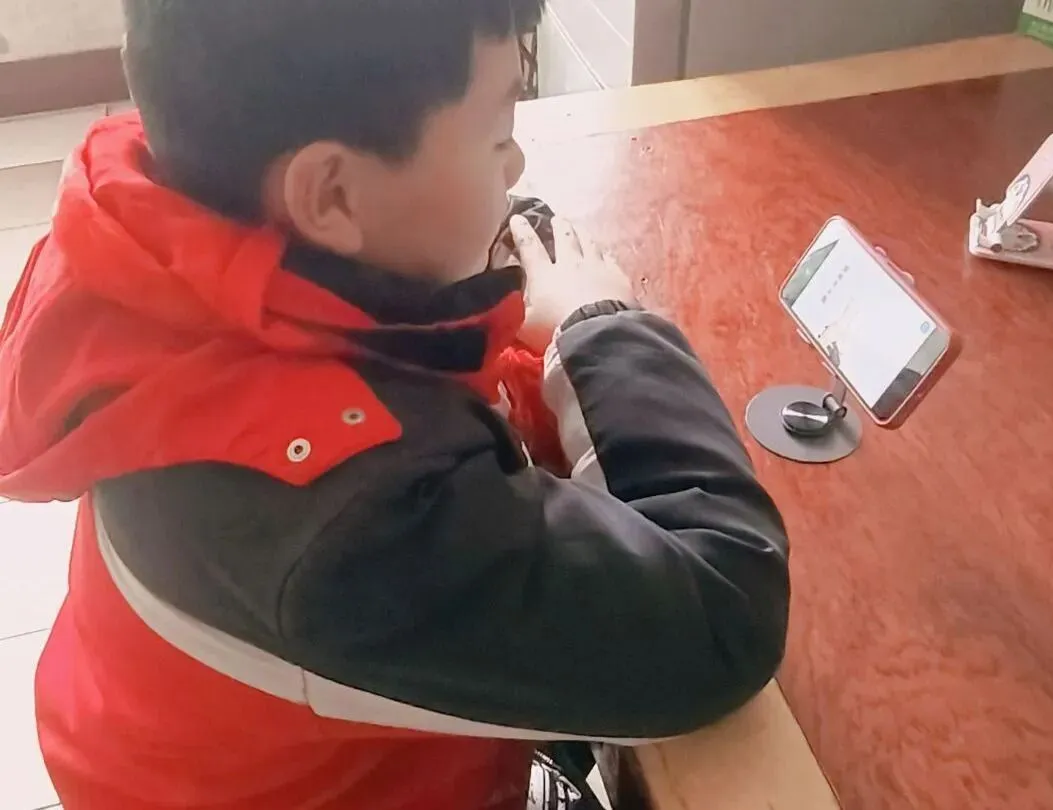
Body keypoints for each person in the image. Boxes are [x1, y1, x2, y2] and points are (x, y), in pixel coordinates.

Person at [0, 2, 791, 809]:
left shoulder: (177, 241)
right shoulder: (357, 519)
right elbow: (720, 620)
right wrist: (605, 327)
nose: (517, 163)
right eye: (496, 136)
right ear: (332, 193)